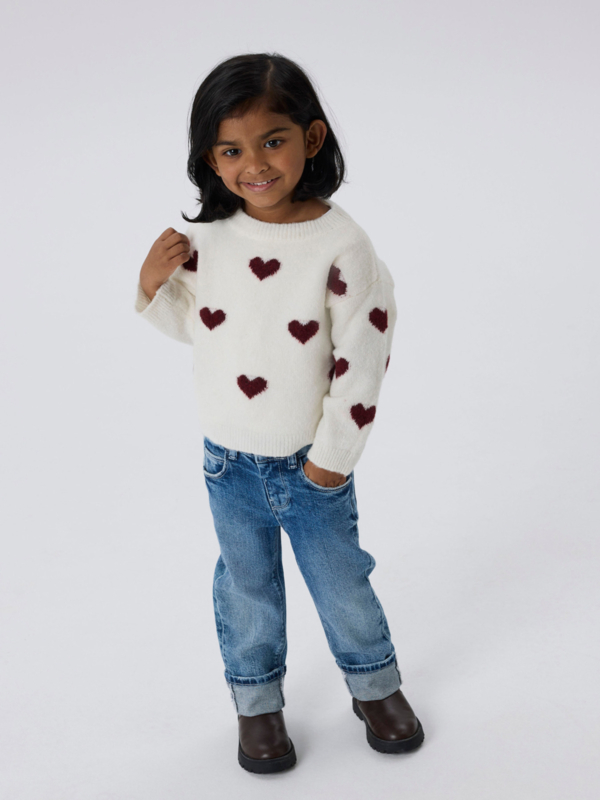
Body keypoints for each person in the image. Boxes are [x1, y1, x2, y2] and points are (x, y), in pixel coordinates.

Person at [134, 52, 424, 774]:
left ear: (312, 138)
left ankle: (375, 685)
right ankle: (257, 703)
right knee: (247, 590)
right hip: (226, 462)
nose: (254, 164)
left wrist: (332, 460)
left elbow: (363, 361)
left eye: (272, 141)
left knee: (342, 584)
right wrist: (153, 285)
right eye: (230, 150)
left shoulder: (343, 246)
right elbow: (206, 332)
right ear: (210, 158)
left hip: (311, 467)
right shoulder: (209, 240)